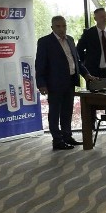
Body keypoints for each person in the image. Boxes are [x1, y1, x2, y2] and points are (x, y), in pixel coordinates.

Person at [35, 16, 92, 150]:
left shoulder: (70, 40)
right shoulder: (45, 42)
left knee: (67, 111)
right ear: (52, 27)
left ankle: (67, 136)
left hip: (70, 80)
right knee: (55, 112)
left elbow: (76, 61)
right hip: (54, 83)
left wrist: (86, 74)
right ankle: (57, 140)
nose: (61, 29)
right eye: (58, 26)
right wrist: (41, 84)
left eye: (64, 26)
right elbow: (40, 64)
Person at [76, 7, 106, 132]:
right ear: (95, 18)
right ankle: (91, 125)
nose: (104, 18)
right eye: (101, 16)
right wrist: (87, 63)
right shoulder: (88, 33)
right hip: (93, 72)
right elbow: (78, 50)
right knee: (92, 99)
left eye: (105, 16)